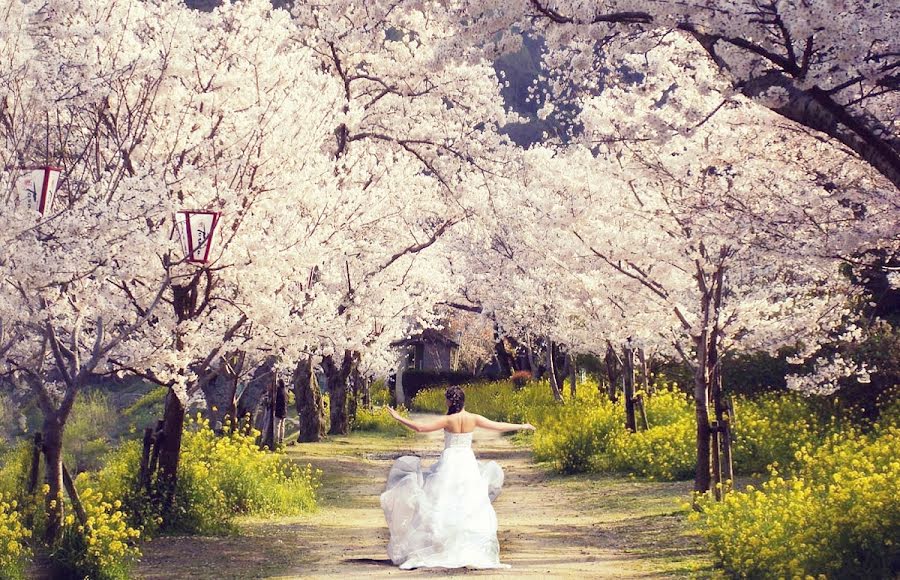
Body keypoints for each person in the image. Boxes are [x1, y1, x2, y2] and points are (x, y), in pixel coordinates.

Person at [381, 385, 535, 570]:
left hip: (450, 462)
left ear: (449, 401)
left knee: (443, 502)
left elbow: (420, 428)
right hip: (467, 462)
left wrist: (398, 417)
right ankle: (465, 546)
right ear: (463, 401)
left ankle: (442, 546)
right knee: (468, 504)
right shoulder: (473, 418)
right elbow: (498, 426)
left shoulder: (448, 420)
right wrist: (522, 426)